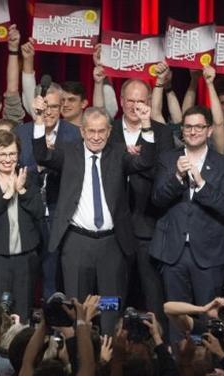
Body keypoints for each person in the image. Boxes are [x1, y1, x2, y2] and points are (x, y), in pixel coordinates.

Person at [32, 102, 157, 332]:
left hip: (112, 244)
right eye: (91, 131)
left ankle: (108, 358)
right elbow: (41, 154)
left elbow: (145, 161)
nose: (96, 137)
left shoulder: (118, 153)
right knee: (77, 309)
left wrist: (146, 125)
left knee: (110, 309)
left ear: (109, 131)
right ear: (82, 131)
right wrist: (39, 120)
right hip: (76, 242)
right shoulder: (69, 152)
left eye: (102, 131)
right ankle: (79, 356)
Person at [150, 106, 224, 324]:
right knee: (177, 321)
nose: (193, 131)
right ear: (182, 130)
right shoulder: (167, 160)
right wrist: (177, 177)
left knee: (208, 321)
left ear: (208, 131)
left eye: (199, 127)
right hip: (173, 253)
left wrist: (202, 183)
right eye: (188, 127)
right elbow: (157, 199)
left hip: (208, 255)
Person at [108, 78, 175, 325]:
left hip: (147, 224)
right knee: (113, 291)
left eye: (141, 101)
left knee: (152, 293)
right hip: (112, 226)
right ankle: (109, 340)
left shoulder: (162, 132)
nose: (135, 107)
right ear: (121, 101)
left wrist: (138, 160)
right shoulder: (108, 129)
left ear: (148, 103)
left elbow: (164, 174)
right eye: (130, 101)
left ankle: (157, 345)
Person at [15, 81, 81, 299]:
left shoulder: (74, 135)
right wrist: (40, 163)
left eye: (54, 106)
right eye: (45, 106)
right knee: (26, 270)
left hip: (58, 210)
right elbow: (14, 167)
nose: (49, 112)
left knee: (53, 271)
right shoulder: (22, 133)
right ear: (36, 106)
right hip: (27, 211)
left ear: (61, 106)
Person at [0, 131, 44, 320]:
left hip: (25, 257)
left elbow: (39, 212)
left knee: (22, 314)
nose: (7, 159)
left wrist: (21, 190)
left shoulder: (28, 178)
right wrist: (6, 195)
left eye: (12, 154)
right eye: (2, 154)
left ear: (18, 154)